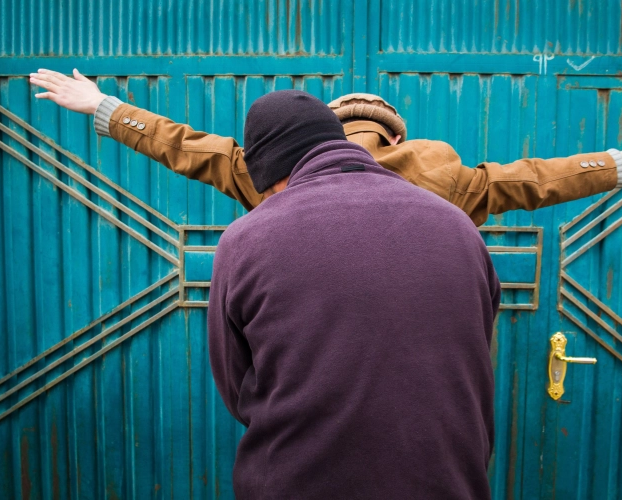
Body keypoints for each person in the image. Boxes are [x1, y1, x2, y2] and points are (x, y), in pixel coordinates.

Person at [207, 89, 501, 498]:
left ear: (271, 171)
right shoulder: (459, 228)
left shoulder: (246, 239)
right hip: (449, 483)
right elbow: (472, 354)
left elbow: (238, 387)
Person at [29, 69, 622, 225]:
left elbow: (181, 143)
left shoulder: (267, 166)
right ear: (396, 133)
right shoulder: (440, 169)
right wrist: (619, 162)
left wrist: (105, 107)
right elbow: (532, 178)